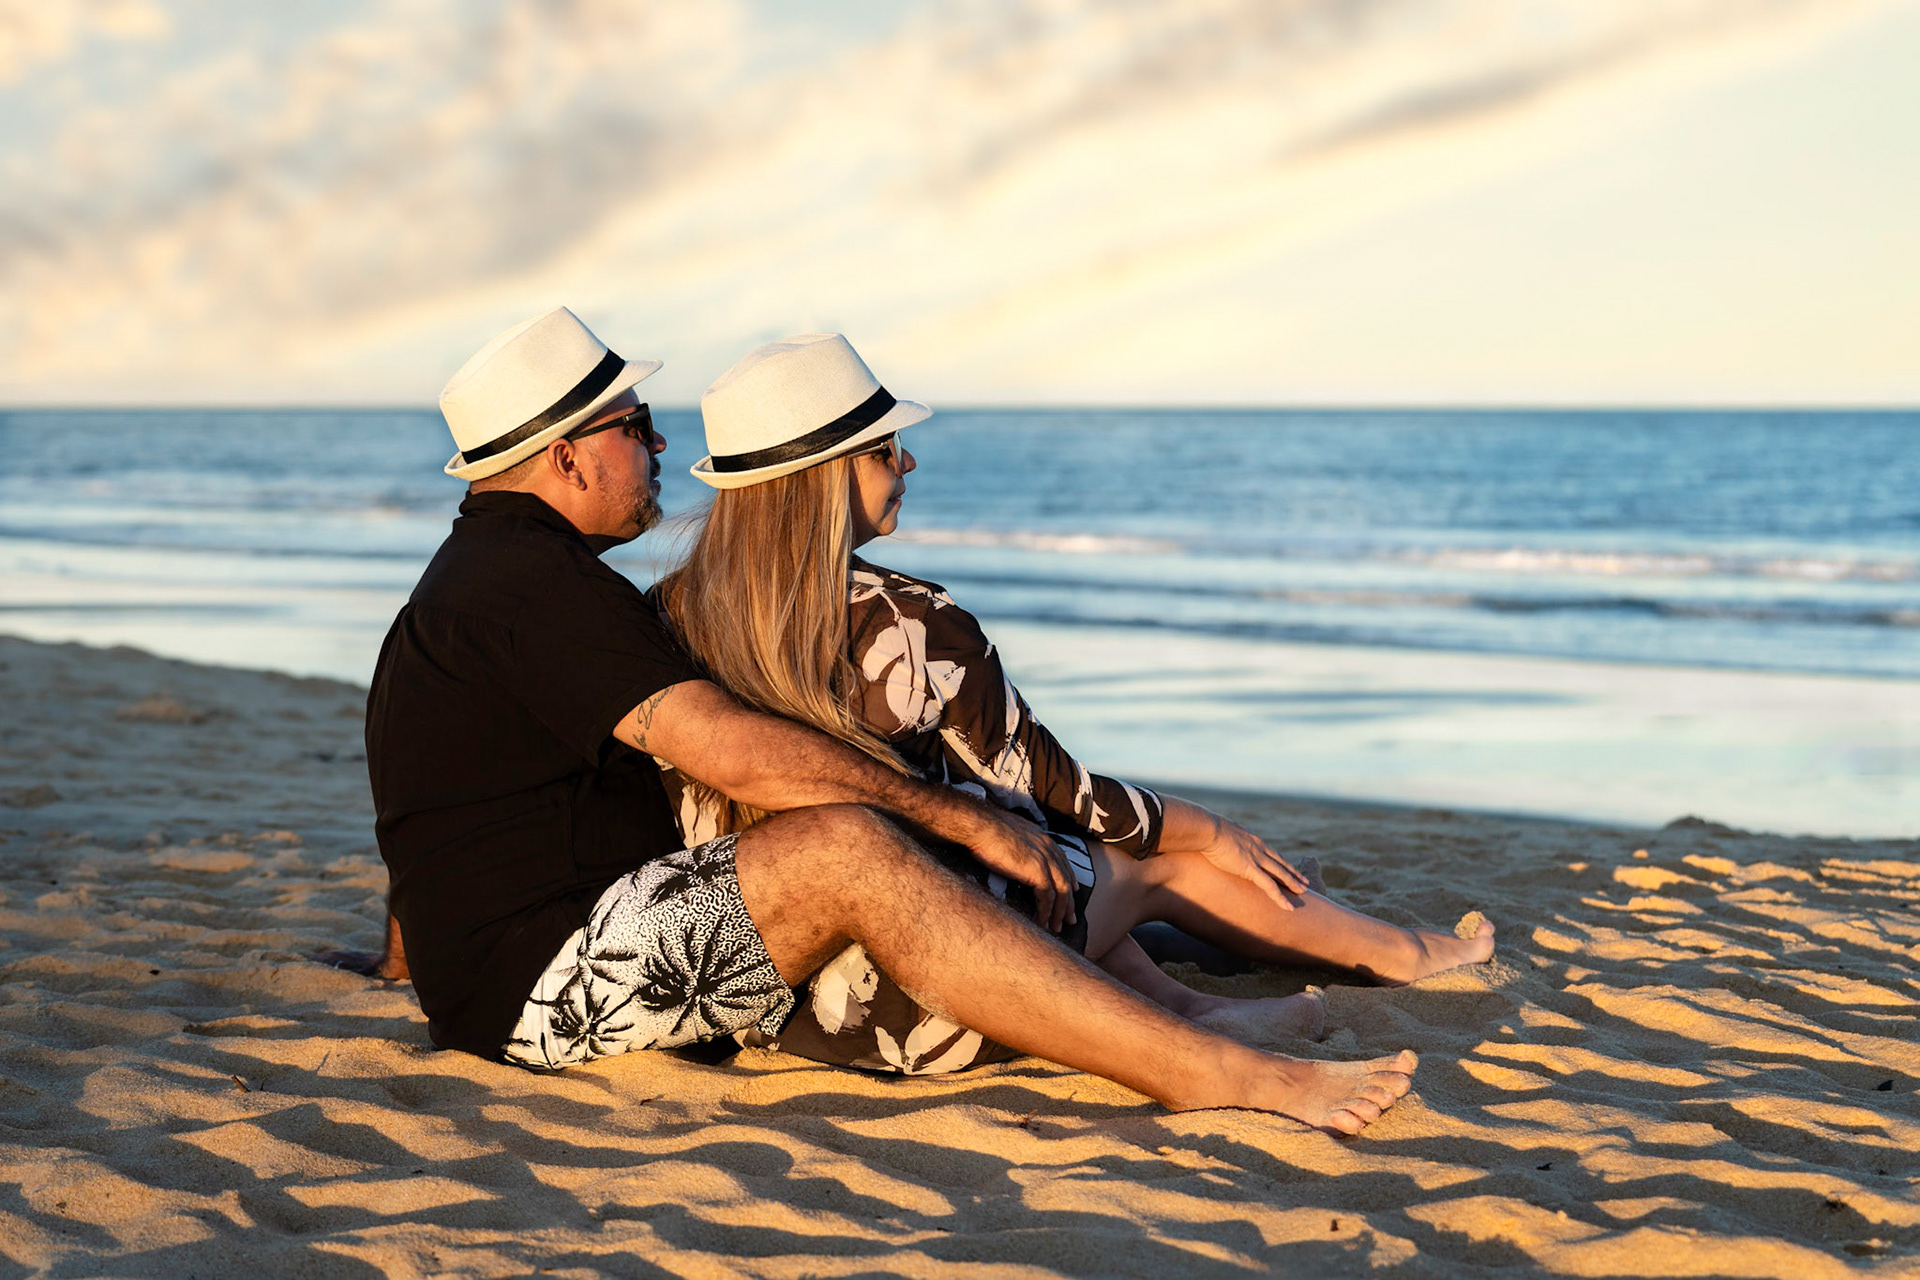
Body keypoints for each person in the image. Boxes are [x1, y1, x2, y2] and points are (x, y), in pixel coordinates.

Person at [354, 306, 1421, 1135]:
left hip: (521, 969)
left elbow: (428, 808)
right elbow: (726, 746)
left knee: (871, 834)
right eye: (632, 426)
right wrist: (958, 821)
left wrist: (417, 955)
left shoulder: (479, 588)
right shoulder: (529, 585)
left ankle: (1192, 1015)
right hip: (553, 978)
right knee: (848, 843)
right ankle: (1209, 1068)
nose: (656, 442)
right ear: (566, 454)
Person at [651, 333, 1495, 1074]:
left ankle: (1192, 1006)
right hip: (934, 992)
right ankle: (1405, 953)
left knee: (1016, 830)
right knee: (1159, 858)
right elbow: (1065, 790)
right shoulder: (914, 625)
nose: (908, 462)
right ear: (823, 475)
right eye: (885, 448)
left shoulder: (666, 613)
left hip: (769, 994)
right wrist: (1212, 828)